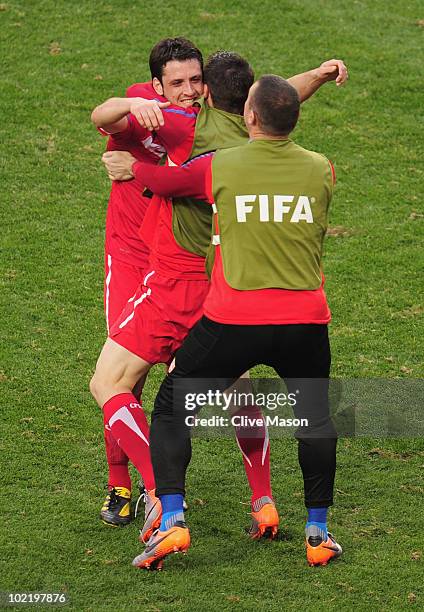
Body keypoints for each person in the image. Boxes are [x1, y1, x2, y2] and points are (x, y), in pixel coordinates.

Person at [92, 51, 347, 542]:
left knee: (116, 383)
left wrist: (130, 164)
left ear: (208, 92)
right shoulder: (278, 150)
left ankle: (159, 499)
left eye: (195, 82)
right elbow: (277, 97)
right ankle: (266, 500)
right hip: (230, 286)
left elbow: (109, 125)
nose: (188, 90)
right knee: (246, 391)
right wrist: (314, 74)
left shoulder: (184, 130)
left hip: (171, 281)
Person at [91, 37, 204, 529]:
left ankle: (164, 487)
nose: (189, 90)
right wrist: (135, 103)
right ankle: (124, 485)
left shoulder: (211, 114)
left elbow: (270, 102)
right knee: (123, 376)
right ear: (158, 83)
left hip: (176, 265)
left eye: (195, 80)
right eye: (177, 82)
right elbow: (102, 115)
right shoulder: (144, 105)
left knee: (187, 380)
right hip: (131, 256)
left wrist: (321, 73)